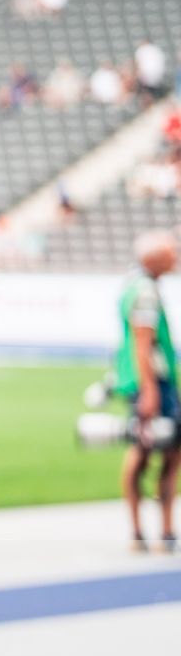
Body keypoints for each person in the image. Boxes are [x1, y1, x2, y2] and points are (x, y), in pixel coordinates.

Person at [117, 231, 180, 553]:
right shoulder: (145, 292)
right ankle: (158, 530)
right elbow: (143, 345)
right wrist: (151, 391)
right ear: (153, 257)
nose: (176, 257)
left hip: (146, 383)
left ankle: (144, 531)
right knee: (159, 451)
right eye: (171, 252)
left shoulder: (138, 285)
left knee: (145, 450)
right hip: (154, 384)